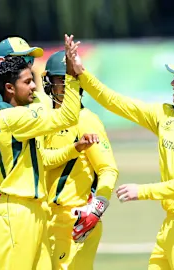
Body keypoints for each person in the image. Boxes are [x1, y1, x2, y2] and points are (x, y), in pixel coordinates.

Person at [73, 56, 174, 269]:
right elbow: (116, 102)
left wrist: (142, 191)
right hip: (171, 224)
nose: (173, 82)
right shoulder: (166, 116)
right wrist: (82, 73)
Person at [0, 35, 96, 270]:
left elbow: (41, 160)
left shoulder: (19, 117)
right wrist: (71, 75)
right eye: (27, 82)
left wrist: (74, 149)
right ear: (9, 88)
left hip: (34, 210)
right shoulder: (14, 117)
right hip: (16, 211)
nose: (34, 87)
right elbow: (68, 116)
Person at [0, 36, 51, 268]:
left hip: (42, 210)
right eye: (24, 60)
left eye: (30, 62)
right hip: (13, 213)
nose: (30, 67)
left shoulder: (39, 103)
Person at [42, 50, 119, 270]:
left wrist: (96, 207)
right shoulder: (45, 120)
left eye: (70, 81)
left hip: (75, 219)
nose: (65, 87)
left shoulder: (86, 121)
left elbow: (108, 169)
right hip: (46, 219)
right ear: (48, 83)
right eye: (60, 81)